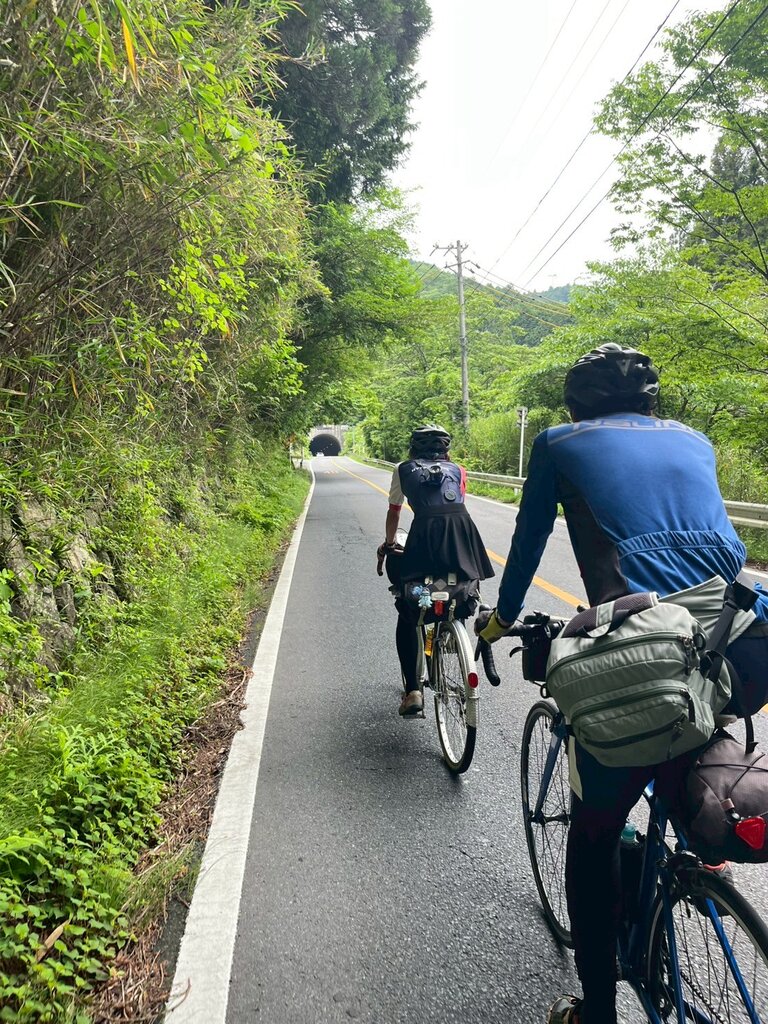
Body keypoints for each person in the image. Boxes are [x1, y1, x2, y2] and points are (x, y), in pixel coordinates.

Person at [475, 344, 768, 1024]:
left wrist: (498, 624)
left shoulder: (558, 443)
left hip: (652, 646)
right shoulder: (693, 438)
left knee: (595, 836)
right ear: (650, 401)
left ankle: (597, 1012)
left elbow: (527, 542)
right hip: (746, 634)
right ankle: (700, 845)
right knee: (687, 726)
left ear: (576, 405)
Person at [378, 424, 494, 716]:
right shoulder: (459, 470)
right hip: (461, 536)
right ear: (446, 450)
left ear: (412, 449)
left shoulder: (403, 469)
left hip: (423, 536)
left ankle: (413, 691)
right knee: (457, 584)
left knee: (408, 609)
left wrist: (390, 543)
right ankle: (453, 630)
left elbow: (394, 511)